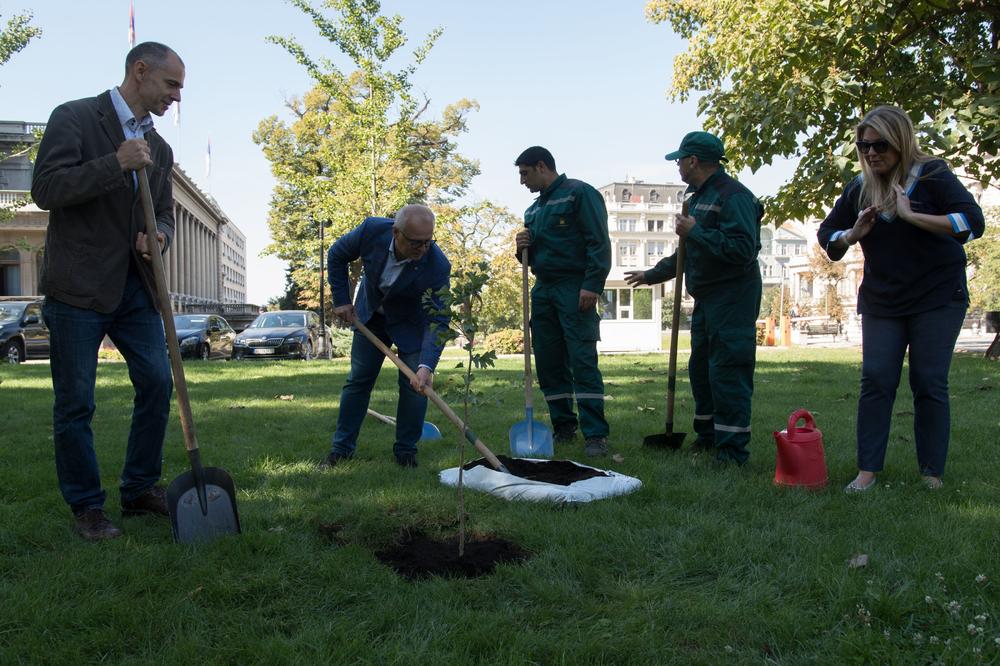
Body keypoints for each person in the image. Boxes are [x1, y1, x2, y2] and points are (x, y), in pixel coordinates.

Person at [31, 42, 184, 540]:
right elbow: (47, 189)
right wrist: (114, 163)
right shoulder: (74, 118)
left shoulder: (159, 148)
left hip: (135, 288)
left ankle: (139, 486)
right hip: (77, 287)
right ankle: (87, 507)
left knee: (158, 383)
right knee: (76, 403)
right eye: (171, 84)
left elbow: (163, 210)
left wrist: (159, 234)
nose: (176, 96)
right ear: (141, 72)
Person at [817, 105, 984, 493]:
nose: (872, 152)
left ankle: (931, 474)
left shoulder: (933, 175)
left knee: (928, 380)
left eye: (880, 145)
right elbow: (828, 235)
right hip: (883, 299)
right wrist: (851, 235)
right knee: (876, 378)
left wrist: (913, 217)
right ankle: (867, 471)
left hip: (938, 296)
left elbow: (971, 223)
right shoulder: (859, 188)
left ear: (901, 141)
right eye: (864, 145)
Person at [625, 131, 763, 465]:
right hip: (706, 298)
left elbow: (744, 250)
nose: (677, 166)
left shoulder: (734, 197)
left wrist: (695, 231)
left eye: (679, 160)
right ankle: (708, 437)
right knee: (701, 369)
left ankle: (731, 451)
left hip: (733, 297)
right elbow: (687, 252)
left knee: (728, 371)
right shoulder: (698, 197)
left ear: (694, 161)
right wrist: (652, 274)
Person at [321, 204, 450, 469]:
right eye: (416, 243)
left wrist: (426, 366)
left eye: (428, 242)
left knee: (416, 387)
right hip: (372, 317)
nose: (423, 249)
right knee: (359, 381)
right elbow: (336, 255)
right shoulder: (371, 231)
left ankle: (405, 453)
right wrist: (342, 300)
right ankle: (341, 450)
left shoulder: (436, 265)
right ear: (396, 233)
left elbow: (438, 319)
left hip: (411, 325)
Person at [514, 146, 612, 457]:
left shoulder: (579, 194)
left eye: (525, 173)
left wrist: (592, 285)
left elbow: (599, 241)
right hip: (543, 290)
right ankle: (563, 426)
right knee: (548, 361)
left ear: (542, 166)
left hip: (575, 287)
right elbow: (531, 257)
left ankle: (595, 434)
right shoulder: (533, 210)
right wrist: (521, 247)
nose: (522, 181)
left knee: (582, 361)